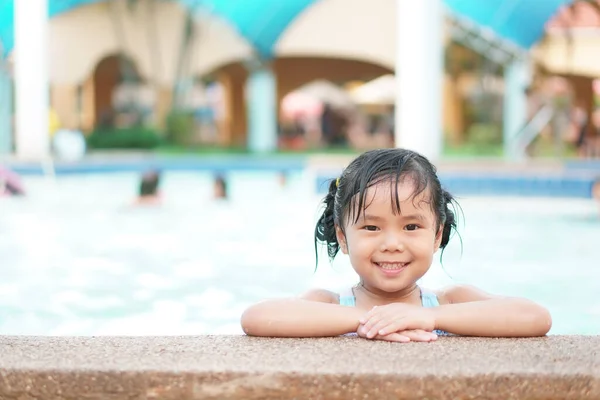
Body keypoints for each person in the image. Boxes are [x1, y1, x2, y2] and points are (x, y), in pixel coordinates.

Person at [241, 149, 552, 341]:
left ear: (437, 235)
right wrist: (374, 320)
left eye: (411, 226)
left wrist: (426, 318)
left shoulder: (450, 302)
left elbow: (535, 316)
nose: (392, 243)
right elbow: (257, 317)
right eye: (372, 227)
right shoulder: (329, 305)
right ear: (342, 237)